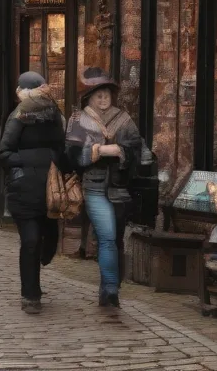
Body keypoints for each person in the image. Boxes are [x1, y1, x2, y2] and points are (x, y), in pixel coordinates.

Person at [65, 68, 143, 308]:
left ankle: (108, 286)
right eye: (98, 95)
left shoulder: (124, 118)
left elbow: (137, 149)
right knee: (108, 237)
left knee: (115, 239)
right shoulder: (78, 120)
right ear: (89, 97)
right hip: (95, 186)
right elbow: (71, 156)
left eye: (106, 94)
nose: (103, 99)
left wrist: (122, 151)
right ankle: (110, 290)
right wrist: (98, 151)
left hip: (120, 187)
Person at [0, 71, 66, 314]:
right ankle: (31, 295)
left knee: (44, 239)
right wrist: (33, 161)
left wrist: (54, 163)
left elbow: (62, 148)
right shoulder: (18, 116)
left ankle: (34, 284)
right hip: (24, 187)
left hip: (50, 188)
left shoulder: (55, 115)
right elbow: (3, 153)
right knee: (30, 241)